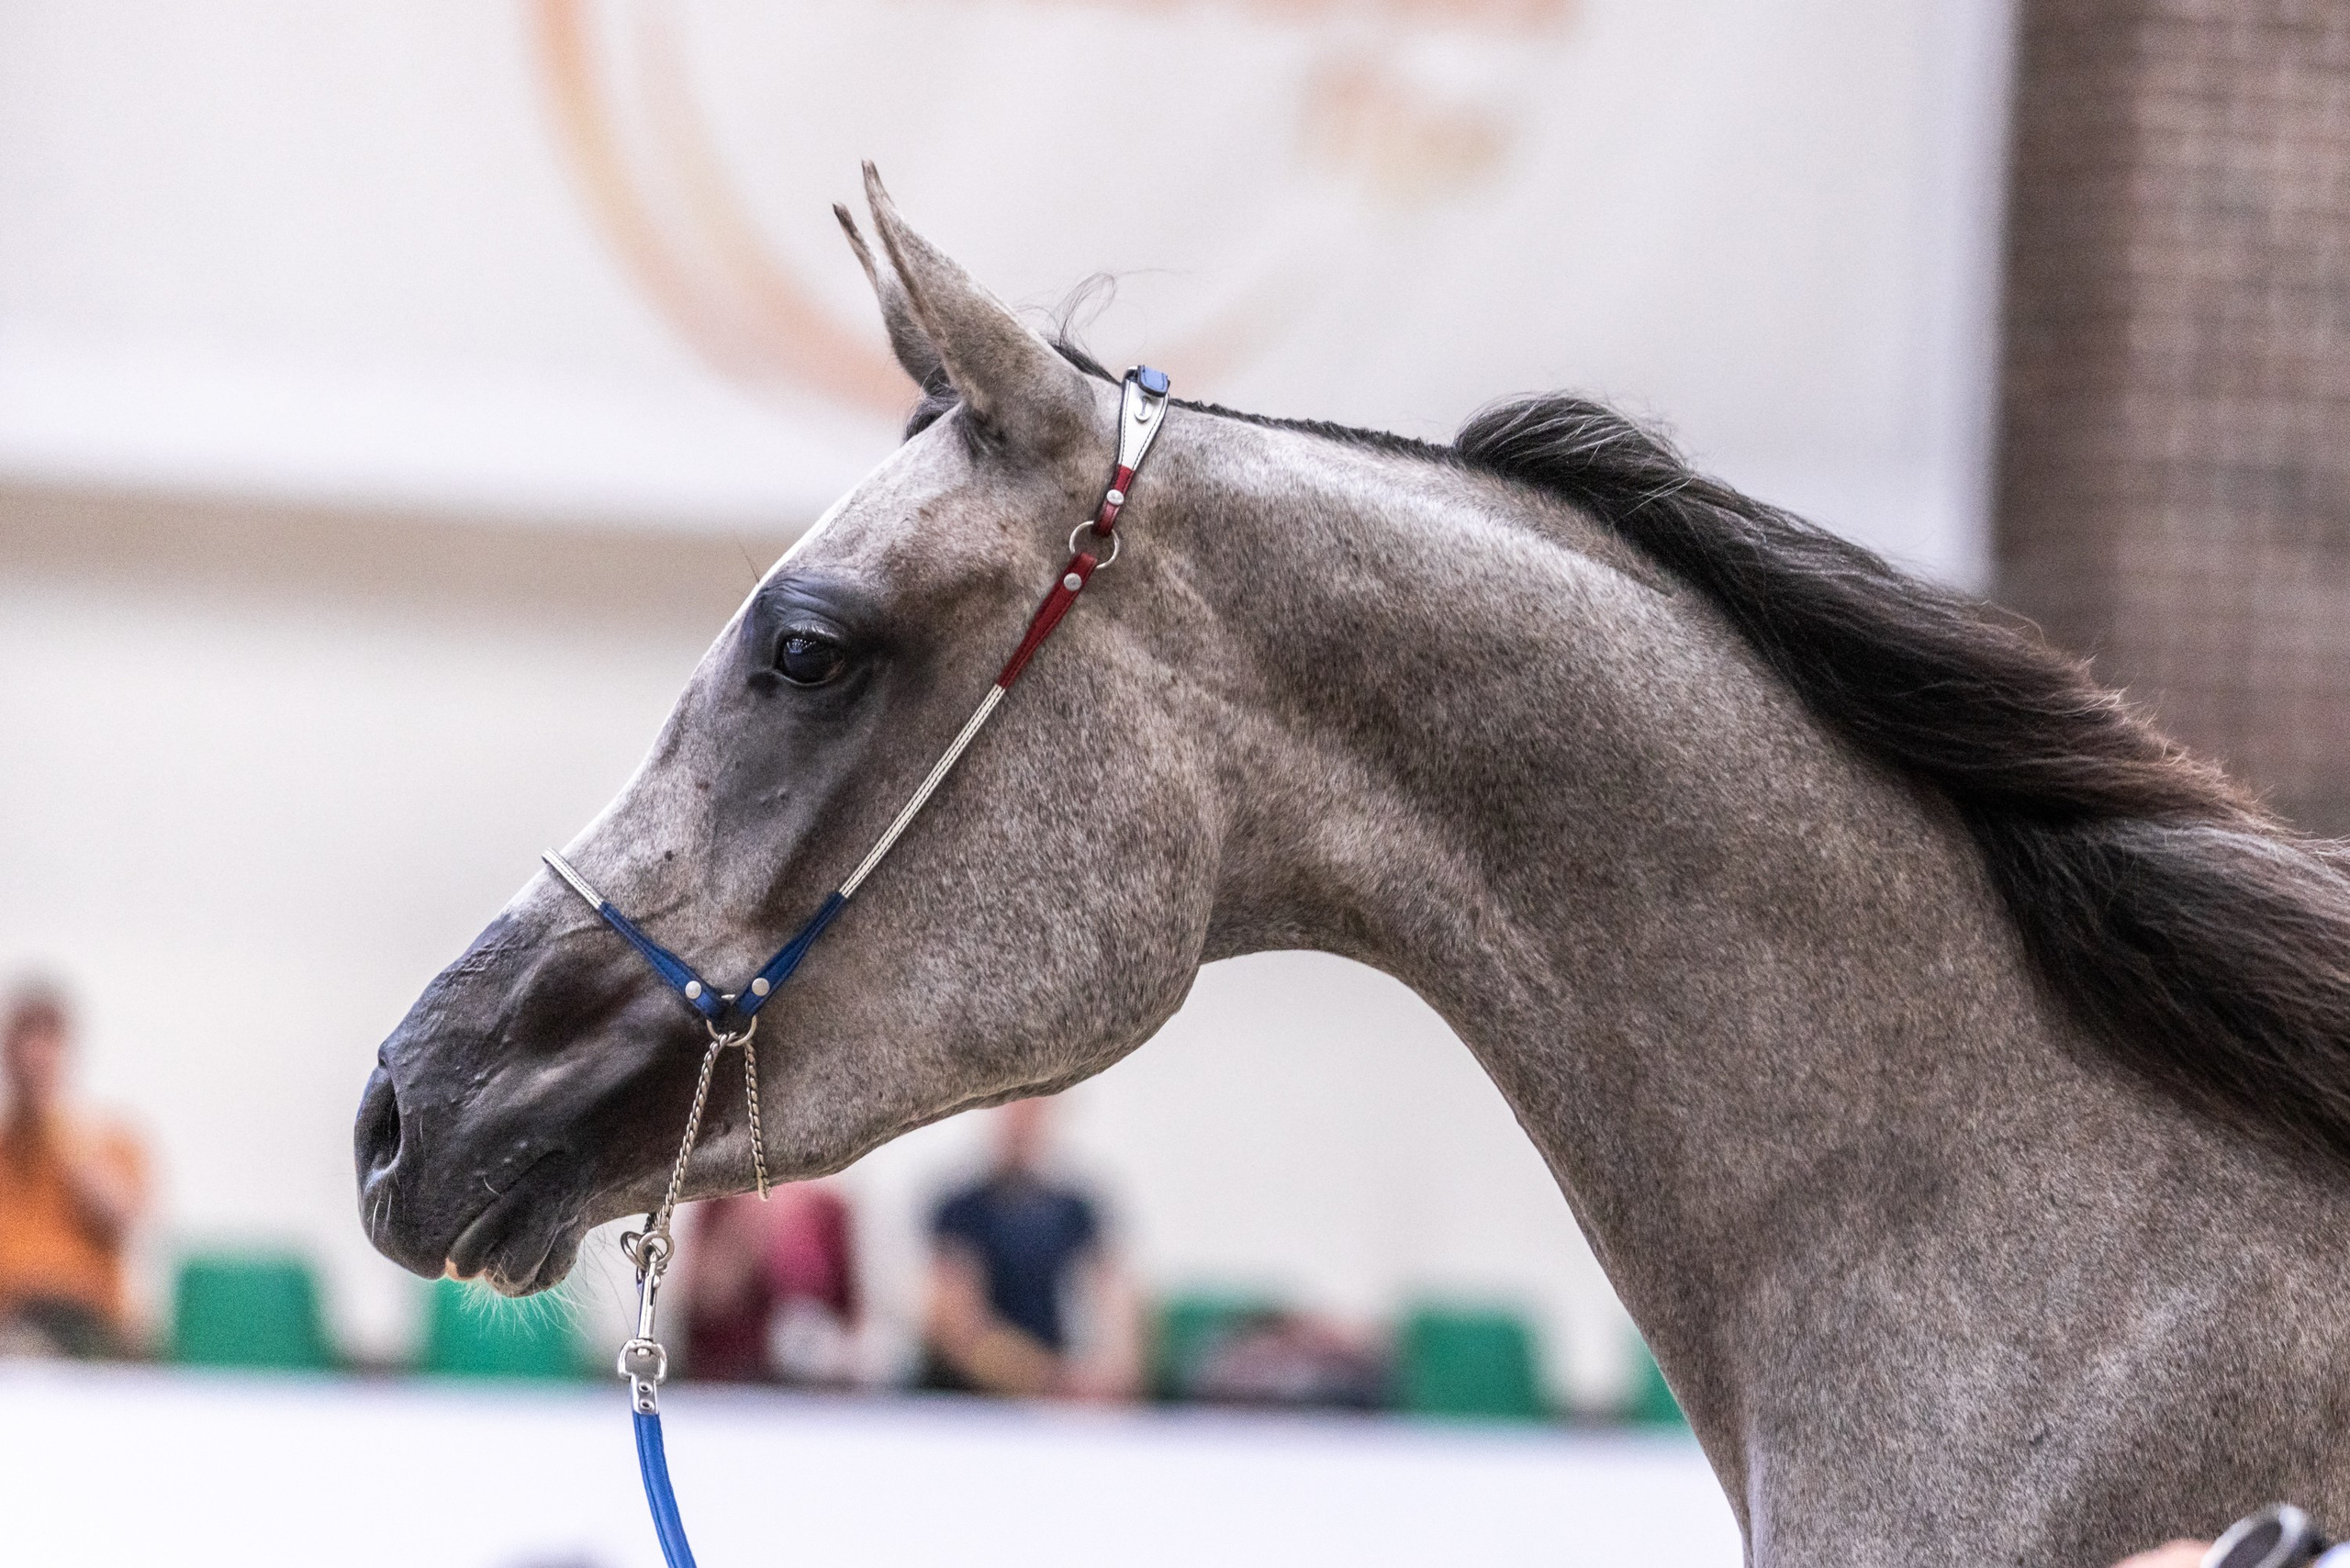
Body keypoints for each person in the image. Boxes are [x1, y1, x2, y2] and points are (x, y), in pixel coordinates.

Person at [921, 1095, 1140, 1400]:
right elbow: (954, 1324)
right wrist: (1049, 1380)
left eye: (1031, 1107)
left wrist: (1112, 1372)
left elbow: (1114, 1297)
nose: (1019, 1119)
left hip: (1052, 1402)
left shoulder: (1074, 1210)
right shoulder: (960, 1210)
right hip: (970, 1402)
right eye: (1012, 1105)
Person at [0, 983, 149, 1357]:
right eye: (25, 1038)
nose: (34, 1055)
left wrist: (59, 1127)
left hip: (85, 1323)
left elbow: (123, 1214)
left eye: (47, 1039)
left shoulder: (107, 1139)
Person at [674, 1181, 859, 1385]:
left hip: (813, 1387)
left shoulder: (827, 1206)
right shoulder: (720, 1198)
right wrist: (741, 1245)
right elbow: (695, 1297)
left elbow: (850, 1311)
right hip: (727, 1381)